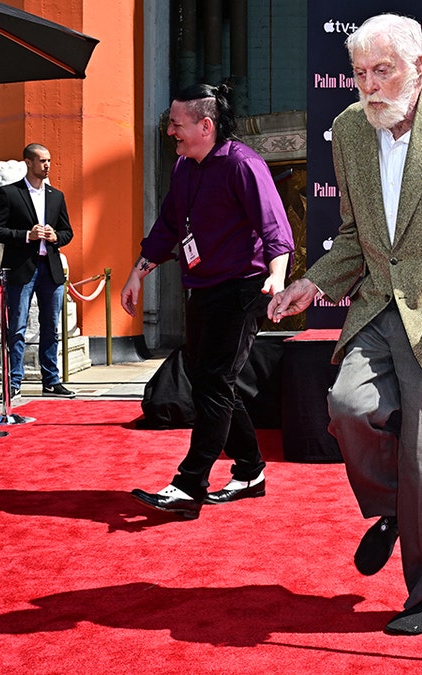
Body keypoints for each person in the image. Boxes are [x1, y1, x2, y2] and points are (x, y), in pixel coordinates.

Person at [266, 14, 422, 635]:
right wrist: (313, 282)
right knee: (348, 406)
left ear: (420, 68)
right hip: (379, 305)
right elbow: (355, 237)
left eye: (383, 71)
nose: (370, 86)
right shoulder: (350, 129)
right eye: (360, 73)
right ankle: (388, 513)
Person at [124, 83, 294, 519]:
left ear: (205, 125)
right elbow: (166, 228)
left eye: (176, 125)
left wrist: (277, 276)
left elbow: (274, 225)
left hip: (242, 288)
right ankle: (251, 471)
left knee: (214, 382)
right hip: (201, 288)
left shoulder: (242, 164)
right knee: (208, 382)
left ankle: (189, 485)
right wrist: (137, 274)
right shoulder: (185, 168)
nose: (170, 133)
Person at [0, 143, 75, 400]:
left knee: (51, 327)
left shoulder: (56, 195)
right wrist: (27, 235)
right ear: (28, 162)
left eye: (49, 161)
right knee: (17, 327)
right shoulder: (9, 194)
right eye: (42, 161)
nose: (47, 165)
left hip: (51, 269)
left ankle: (52, 380)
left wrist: (56, 236)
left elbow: (68, 231)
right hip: (21, 269)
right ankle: (13, 382)